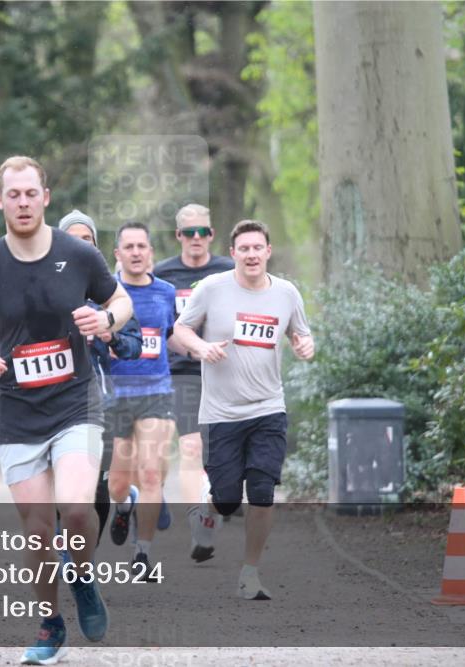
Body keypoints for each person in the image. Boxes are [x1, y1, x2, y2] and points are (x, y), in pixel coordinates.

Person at [0, 157, 134, 665]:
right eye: (13, 194)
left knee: (75, 508)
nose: (23, 202)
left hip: (75, 401)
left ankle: (83, 575)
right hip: (18, 411)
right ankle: (51, 622)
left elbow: (121, 300)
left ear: (45, 197)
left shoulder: (78, 254)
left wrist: (106, 319)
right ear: (0, 200)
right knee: (37, 530)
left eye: (31, 193)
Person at [172, 219, 314, 600]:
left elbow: (301, 332)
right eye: (244, 249)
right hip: (221, 413)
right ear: (233, 253)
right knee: (228, 499)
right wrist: (200, 348)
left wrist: (305, 345)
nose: (252, 254)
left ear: (268, 251)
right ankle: (207, 510)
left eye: (258, 248)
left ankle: (249, 573)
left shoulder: (286, 293)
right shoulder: (212, 289)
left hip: (269, 408)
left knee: (264, 490)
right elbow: (180, 330)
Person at [152, 203, 234, 559]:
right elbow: (157, 323)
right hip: (182, 371)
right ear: (178, 236)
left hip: (226, 372)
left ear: (212, 235)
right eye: (189, 232)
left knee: (225, 460)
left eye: (203, 231)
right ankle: (198, 526)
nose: (196, 238)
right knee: (190, 448)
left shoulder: (229, 271)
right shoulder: (163, 274)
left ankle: (211, 514)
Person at [57, 210, 143, 545]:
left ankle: (84, 556)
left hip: (97, 402)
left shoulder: (108, 292)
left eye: (87, 240)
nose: (79, 247)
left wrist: (111, 335)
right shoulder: (40, 286)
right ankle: (66, 547)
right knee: (56, 484)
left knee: (95, 485)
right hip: (50, 399)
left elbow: (134, 347)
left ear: (95, 247)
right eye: (72, 240)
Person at [105, 222, 179, 581]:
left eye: (142, 246)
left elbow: (170, 337)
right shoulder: (105, 295)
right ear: (117, 254)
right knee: (118, 483)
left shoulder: (165, 292)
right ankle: (123, 506)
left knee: (151, 471)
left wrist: (203, 350)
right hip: (117, 396)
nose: (136, 252)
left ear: (151, 252)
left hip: (157, 392)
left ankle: (143, 555)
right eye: (128, 247)